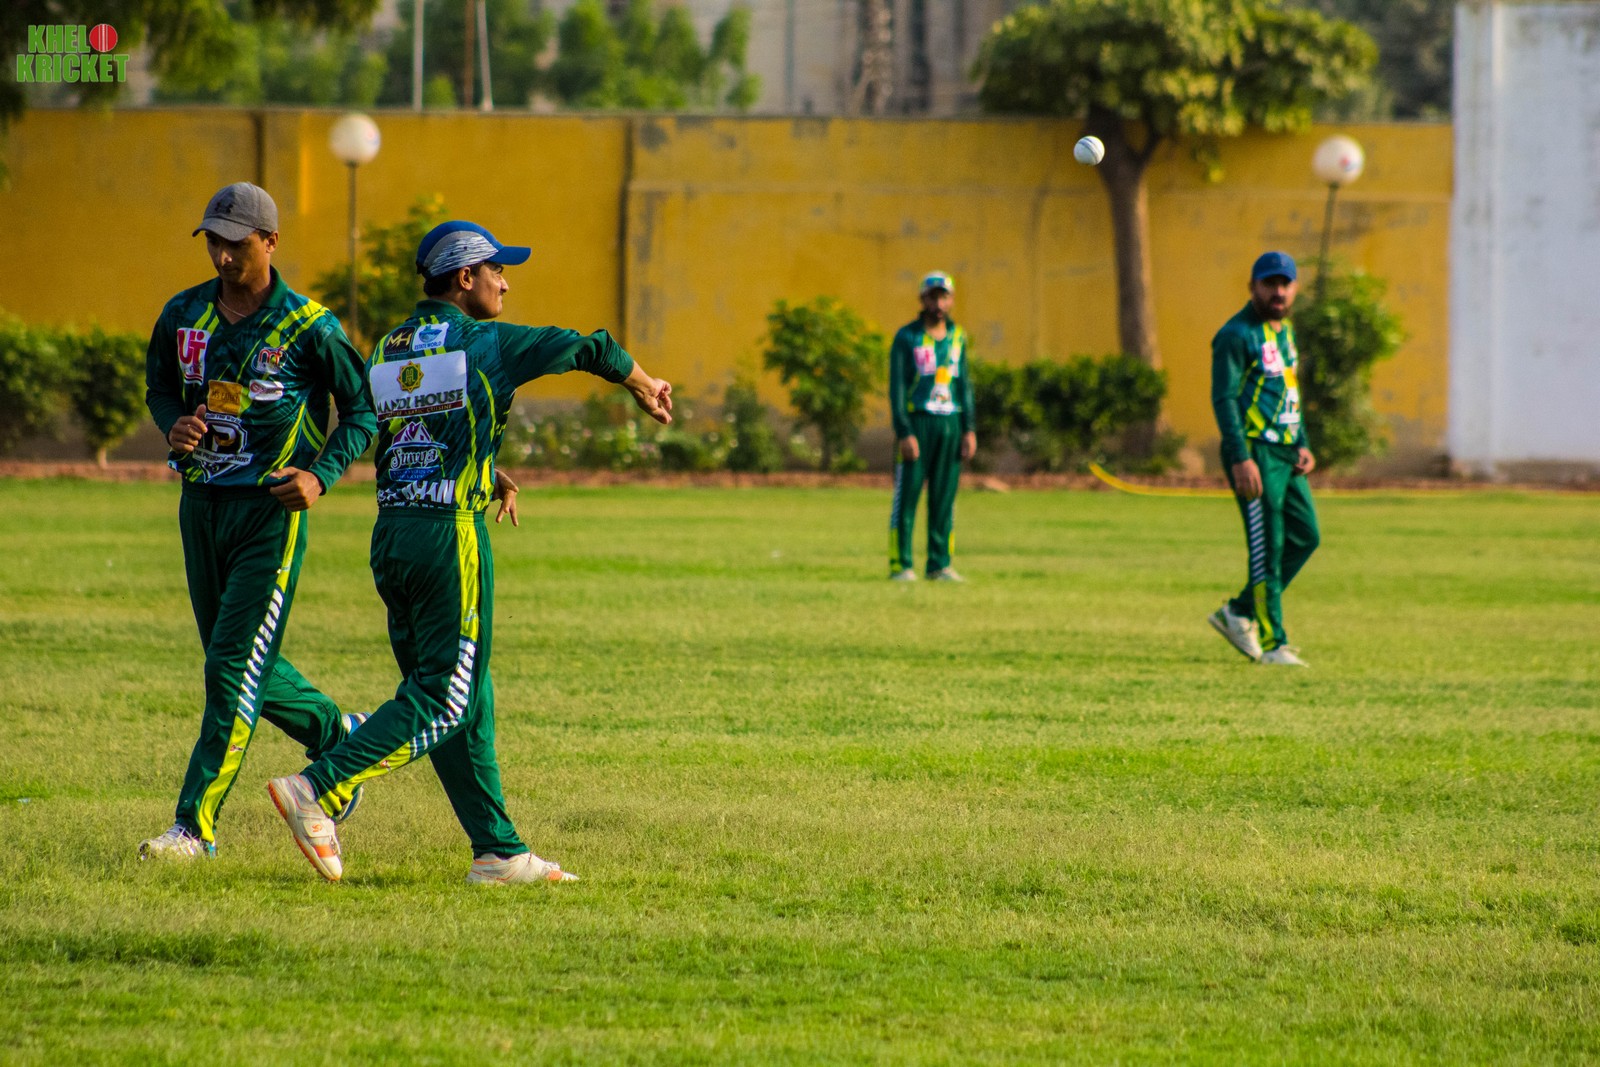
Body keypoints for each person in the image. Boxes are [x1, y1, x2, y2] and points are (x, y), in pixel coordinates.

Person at [266, 220, 674, 885]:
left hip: (393, 534)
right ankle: (320, 786)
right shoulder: (484, 341)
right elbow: (591, 346)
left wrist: (490, 472)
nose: (504, 284)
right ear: (464, 278)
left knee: (463, 698)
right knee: (446, 698)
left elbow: (416, 432)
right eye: (497, 271)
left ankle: (497, 852)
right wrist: (644, 383)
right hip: (448, 537)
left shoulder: (390, 346)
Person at [138, 182, 378, 859]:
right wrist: (173, 425)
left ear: (270, 242)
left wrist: (319, 476)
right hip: (200, 507)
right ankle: (340, 737)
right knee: (234, 659)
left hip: (270, 514)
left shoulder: (310, 327)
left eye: (236, 244)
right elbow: (160, 387)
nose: (222, 257)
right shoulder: (183, 314)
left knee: (230, 668)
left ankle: (194, 828)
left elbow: (362, 412)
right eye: (213, 242)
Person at [1207, 251, 1320, 667]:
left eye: (1285, 284)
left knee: (1306, 536)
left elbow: (1288, 389)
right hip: (1255, 452)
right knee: (1267, 547)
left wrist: (1302, 442)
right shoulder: (1236, 335)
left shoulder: (1283, 330)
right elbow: (1224, 398)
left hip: (1287, 452)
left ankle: (1238, 612)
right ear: (1252, 287)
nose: (1278, 291)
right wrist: (1240, 458)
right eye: (1270, 283)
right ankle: (1274, 645)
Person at [887, 271, 977, 581]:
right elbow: (897, 387)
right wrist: (904, 431)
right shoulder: (907, 337)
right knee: (907, 497)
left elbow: (964, 385)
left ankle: (940, 564)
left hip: (950, 422)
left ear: (951, 300)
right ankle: (901, 564)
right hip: (918, 420)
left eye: (943, 297)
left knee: (944, 498)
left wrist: (969, 428)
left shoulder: (958, 337)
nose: (938, 304)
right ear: (922, 299)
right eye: (932, 297)